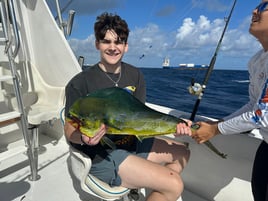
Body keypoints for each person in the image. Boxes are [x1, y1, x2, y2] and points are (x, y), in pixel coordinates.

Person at [64, 12, 192, 201]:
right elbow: (68, 131)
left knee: (183, 152)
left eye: (119, 42)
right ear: (97, 44)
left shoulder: (135, 75)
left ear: (126, 46)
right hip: (101, 155)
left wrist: (176, 125)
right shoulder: (80, 83)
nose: (113, 47)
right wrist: (84, 138)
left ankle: (150, 187)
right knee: (174, 185)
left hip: (132, 144)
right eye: (107, 42)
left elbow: (141, 117)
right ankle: (159, 185)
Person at [192, 1, 268, 201]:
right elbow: (254, 104)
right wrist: (216, 124)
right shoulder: (257, 60)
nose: (254, 11)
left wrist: (215, 130)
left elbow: (261, 115)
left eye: (264, 6)